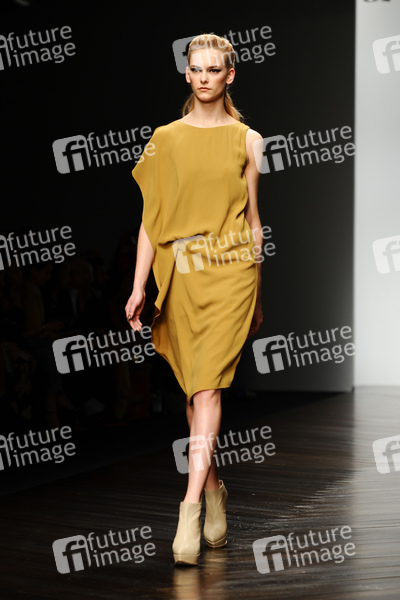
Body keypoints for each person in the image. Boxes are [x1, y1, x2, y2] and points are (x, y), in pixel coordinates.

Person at [125, 33, 263, 566]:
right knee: (192, 388)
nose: (205, 78)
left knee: (206, 388)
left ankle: (188, 510)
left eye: (214, 69)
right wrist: (139, 285)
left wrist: (257, 293)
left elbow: (253, 222)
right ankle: (213, 488)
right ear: (186, 74)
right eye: (196, 69)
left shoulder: (249, 140)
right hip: (181, 272)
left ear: (231, 75)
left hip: (231, 272)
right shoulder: (164, 138)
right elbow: (151, 218)